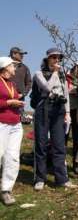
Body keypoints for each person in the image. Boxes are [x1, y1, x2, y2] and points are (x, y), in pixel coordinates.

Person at [33, 48, 77, 190]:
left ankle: (62, 179)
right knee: (41, 143)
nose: (56, 61)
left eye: (59, 58)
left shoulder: (63, 75)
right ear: (47, 59)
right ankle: (40, 178)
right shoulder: (39, 74)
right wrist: (55, 73)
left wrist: (68, 113)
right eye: (53, 58)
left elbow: (65, 95)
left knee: (59, 145)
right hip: (43, 110)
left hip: (59, 110)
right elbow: (47, 87)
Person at [0, 56, 25, 205]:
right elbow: (5, 101)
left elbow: (12, 101)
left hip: (15, 124)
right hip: (1, 123)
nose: (15, 68)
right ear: (5, 67)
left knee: (13, 157)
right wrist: (9, 102)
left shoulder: (12, 83)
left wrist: (19, 106)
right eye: (12, 66)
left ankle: (6, 190)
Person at [65, 58, 78, 171]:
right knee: (64, 137)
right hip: (66, 110)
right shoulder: (66, 77)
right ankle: (60, 163)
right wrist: (74, 90)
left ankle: (76, 166)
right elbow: (65, 91)